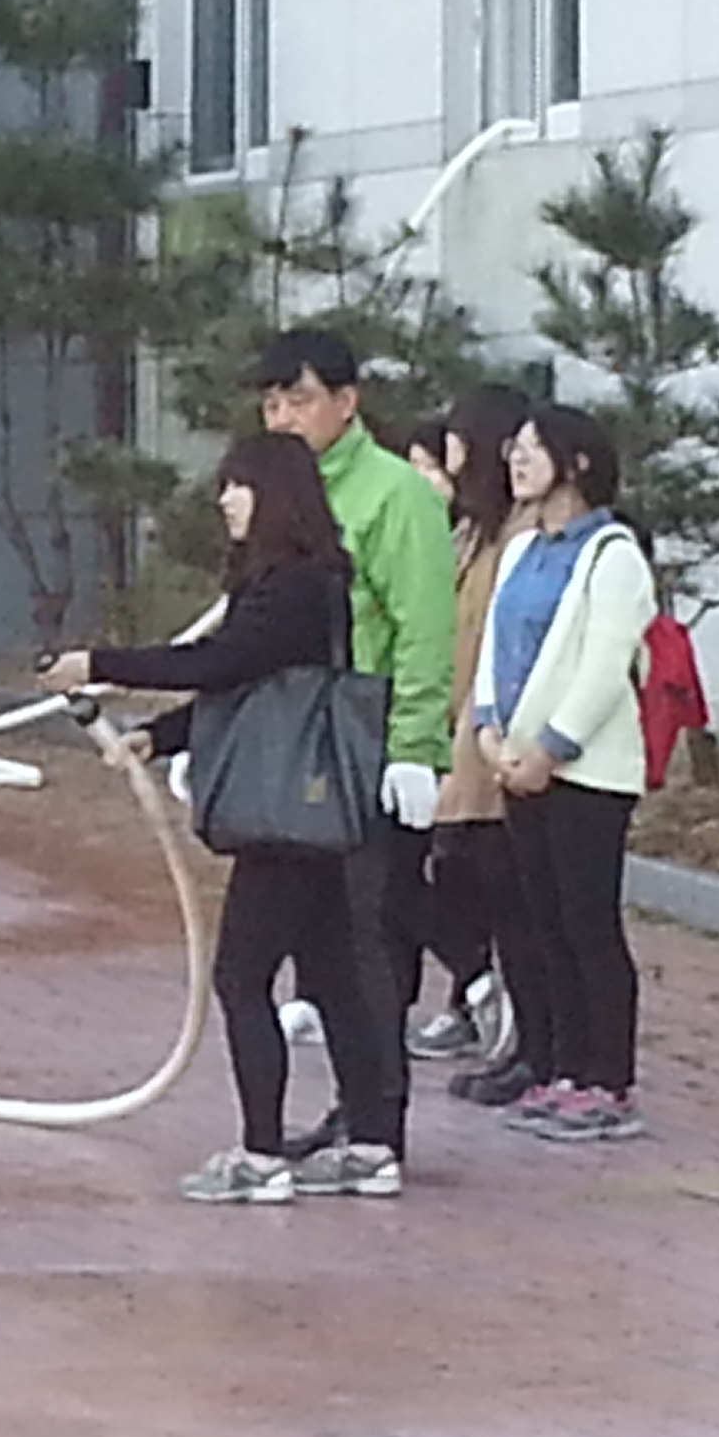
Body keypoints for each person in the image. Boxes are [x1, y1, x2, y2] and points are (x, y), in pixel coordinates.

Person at [37, 434, 394, 1200]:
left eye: (239, 485)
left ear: (275, 495)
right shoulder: (293, 582)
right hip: (304, 806)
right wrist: (160, 736)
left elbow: (219, 665)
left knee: (242, 975)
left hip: (285, 818)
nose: (225, 499)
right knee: (332, 975)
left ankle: (261, 1157)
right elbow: (248, 689)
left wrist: (101, 663)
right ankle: (371, 1143)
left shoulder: (296, 586)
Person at [251, 329, 455, 1168]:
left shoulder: (395, 495)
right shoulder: (281, 494)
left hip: (367, 741)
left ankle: (379, 1125)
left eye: (299, 400)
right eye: (271, 403)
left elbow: (423, 628)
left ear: (347, 400)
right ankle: (354, 1110)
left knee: (366, 940)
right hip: (301, 746)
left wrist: (414, 746)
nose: (283, 418)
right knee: (321, 943)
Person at [472, 404, 661, 1142]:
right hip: (518, 763)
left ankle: (608, 1082)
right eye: (513, 448)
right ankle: (560, 1069)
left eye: (533, 449)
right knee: (541, 921)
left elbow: (605, 666)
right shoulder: (521, 549)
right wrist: (489, 731)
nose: (516, 460)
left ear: (576, 463)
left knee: (588, 925)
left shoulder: (613, 554)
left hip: (587, 773)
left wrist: (551, 748)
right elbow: (495, 648)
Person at [418, 384, 536, 1082]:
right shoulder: (468, 530)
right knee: (437, 870)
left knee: (483, 871)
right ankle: (476, 987)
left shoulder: (521, 534)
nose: (449, 454)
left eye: (458, 441)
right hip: (447, 720)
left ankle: (508, 1010)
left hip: (492, 730)